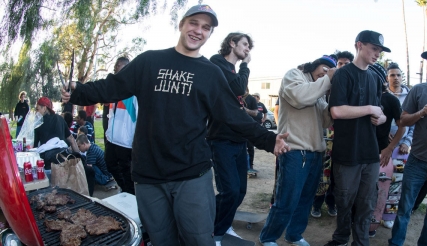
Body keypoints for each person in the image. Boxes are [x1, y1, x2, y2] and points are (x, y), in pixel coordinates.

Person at [61, 4, 289, 246]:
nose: (198, 31)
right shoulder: (150, 61)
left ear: (210, 34)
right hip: (149, 176)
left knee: (199, 240)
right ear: (181, 24)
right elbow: (111, 87)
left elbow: (233, 116)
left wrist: (268, 139)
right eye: (193, 23)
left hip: (192, 174)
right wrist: (78, 92)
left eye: (206, 27)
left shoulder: (211, 74)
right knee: (162, 241)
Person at [259, 54, 337, 246]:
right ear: (314, 65)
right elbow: (300, 97)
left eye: (329, 72)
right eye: (324, 70)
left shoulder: (318, 91)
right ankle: (268, 237)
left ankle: (294, 235)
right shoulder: (295, 75)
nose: (325, 74)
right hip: (295, 151)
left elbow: (327, 121)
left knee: (306, 199)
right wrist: (328, 80)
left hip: (316, 153)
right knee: (287, 199)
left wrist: (334, 95)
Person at [324, 30, 388, 246]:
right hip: (347, 152)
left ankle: (360, 242)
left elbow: (381, 110)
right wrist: (370, 108)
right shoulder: (343, 74)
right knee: (344, 201)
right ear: (359, 45)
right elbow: (337, 112)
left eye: (380, 50)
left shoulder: (375, 77)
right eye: (374, 48)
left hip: (370, 153)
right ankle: (341, 238)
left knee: (366, 204)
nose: (377, 54)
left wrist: (381, 117)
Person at [207, 32, 254, 244]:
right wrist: (246, 66)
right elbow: (238, 88)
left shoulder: (232, 69)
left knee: (240, 191)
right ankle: (214, 232)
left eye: (249, 46)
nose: (247, 50)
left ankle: (223, 225)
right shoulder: (217, 63)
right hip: (221, 139)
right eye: (244, 45)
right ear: (232, 43)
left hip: (238, 139)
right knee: (230, 191)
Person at [388, 48, 427, 246]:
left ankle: (423, 243)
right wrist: (420, 114)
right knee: (404, 208)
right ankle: (396, 243)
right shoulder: (419, 90)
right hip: (416, 161)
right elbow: (403, 120)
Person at [311, 50, 355, 218]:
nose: (343, 67)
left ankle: (331, 203)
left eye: (346, 64)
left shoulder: (350, 86)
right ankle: (316, 205)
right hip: (323, 136)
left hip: (343, 138)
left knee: (337, 175)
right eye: (340, 64)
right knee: (323, 172)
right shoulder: (324, 82)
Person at [367, 63, 406, 237]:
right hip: (359, 154)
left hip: (382, 153)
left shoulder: (390, 99)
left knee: (382, 192)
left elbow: (402, 126)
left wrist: (390, 147)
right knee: (361, 193)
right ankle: (359, 223)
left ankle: (372, 226)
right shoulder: (360, 96)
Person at [104, 56, 137, 195]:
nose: (118, 73)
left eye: (121, 69)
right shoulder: (114, 90)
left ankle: (130, 193)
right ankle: (124, 189)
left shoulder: (134, 92)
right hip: (112, 138)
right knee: (109, 163)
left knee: (126, 170)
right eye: (116, 69)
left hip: (126, 142)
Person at [33, 97, 80, 175]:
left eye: (37, 109)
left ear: (44, 108)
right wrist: (79, 159)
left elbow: (34, 147)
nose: (36, 112)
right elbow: (71, 139)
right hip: (63, 160)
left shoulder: (38, 123)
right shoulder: (60, 119)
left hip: (48, 165)